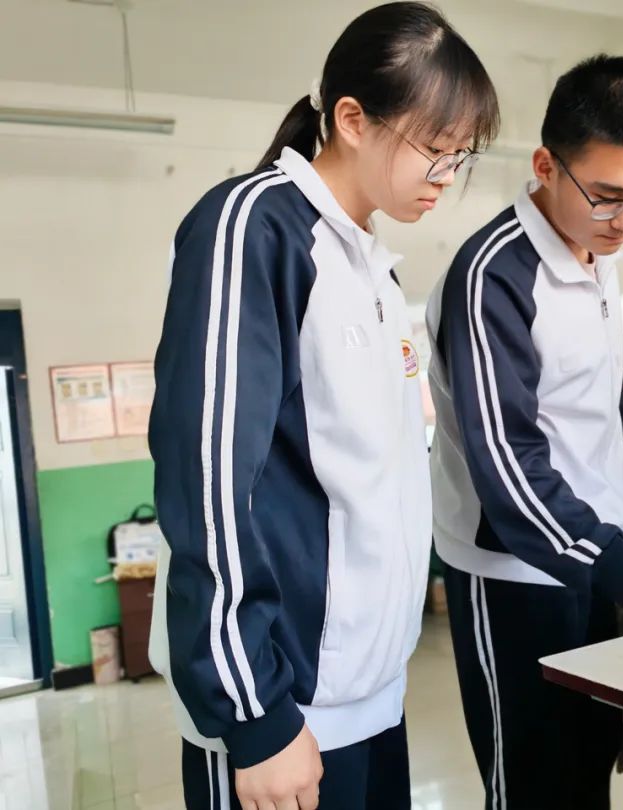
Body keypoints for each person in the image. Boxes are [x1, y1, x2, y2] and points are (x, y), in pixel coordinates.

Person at [147, 5, 499, 809]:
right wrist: (254, 713)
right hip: (281, 709)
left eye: (460, 158)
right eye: (434, 153)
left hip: (370, 692)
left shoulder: (373, 266)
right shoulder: (253, 227)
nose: (446, 178)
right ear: (351, 119)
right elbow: (207, 479)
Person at [426, 54, 623, 810]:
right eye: (606, 196)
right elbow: (508, 461)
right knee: (538, 784)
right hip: (514, 573)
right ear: (545, 165)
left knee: (595, 759)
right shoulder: (492, 277)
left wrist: (621, 498)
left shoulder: (599, 255)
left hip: (594, 546)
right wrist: (616, 565)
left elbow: (604, 384)